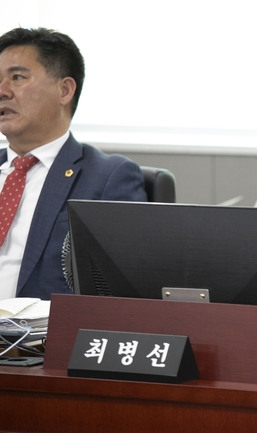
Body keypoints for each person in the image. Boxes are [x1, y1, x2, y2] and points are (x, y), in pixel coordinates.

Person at [0, 27, 147, 300]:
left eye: (17, 77)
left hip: (40, 327)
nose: (2, 91)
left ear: (64, 90)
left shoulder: (107, 178)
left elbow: (120, 293)